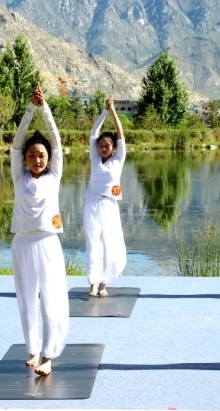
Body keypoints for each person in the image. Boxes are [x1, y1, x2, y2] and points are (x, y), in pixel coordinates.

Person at [10, 82, 69, 376]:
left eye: (41, 155)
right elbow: (17, 143)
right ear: (24, 158)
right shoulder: (19, 178)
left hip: (47, 242)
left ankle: (48, 354)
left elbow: (55, 141)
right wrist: (29, 109)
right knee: (26, 299)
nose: (37, 159)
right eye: (32, 155)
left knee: (51, 299)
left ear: (49, 159)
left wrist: (44, 108)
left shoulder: (53, 176)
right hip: (22, 242)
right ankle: (33, 349)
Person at [83, 95, 127, 297]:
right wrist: (104, 111)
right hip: (92, 203)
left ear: (114, 147)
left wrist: (113, 111)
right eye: (100, 145)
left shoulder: (118, 159)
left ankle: (103, 284)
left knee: (109, 244)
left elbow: (120, 134)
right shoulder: (95, 158)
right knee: (93, 243)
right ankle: (93, 283)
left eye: (107, 146)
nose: (103, 148)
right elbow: (94, 132)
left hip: (109, 206)